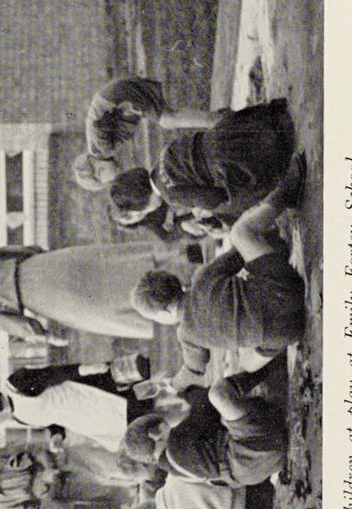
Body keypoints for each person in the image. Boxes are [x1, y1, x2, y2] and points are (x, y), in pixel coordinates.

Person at [131, 154, 307, 384]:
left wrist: (174, 383)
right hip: (286, 290)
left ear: (164, 314)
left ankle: (287, 192)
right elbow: (238, 254)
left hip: (287, 332)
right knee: (240, 233)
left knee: (246, 363)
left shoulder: (187, 336)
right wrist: (271, 243)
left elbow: (193, 371)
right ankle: (283, 194)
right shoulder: (201, 278)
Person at [0, 241, 162, 343]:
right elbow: (28, 249)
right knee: (116, 265)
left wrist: (46, 337)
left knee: (109, 309)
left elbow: (24, 326)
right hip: (46, 265)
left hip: (47, 299)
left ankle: (166, 307)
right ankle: (183, 257)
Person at [101, 97, 295, 222]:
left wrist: (204, 209)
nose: (148, 213)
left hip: (228, 161)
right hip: (225, 134)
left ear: (142, 202)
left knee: (232, 206)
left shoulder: (171, 194)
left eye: (142, 212)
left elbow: (214, 197)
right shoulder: (162, 154)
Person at [123, 369, 287, 489]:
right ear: (155, 433)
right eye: (164, 423)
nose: (170, 425)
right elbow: (205, 402)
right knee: (219, 393)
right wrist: (181, 391)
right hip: (251, 449)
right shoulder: (175, 444)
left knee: (234, 414)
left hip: (252, 472)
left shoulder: (174, 470)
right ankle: (273, 359)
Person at [0, 358, 155, 454]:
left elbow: (53, 374)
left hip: (86, 394)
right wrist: (56, 434)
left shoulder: (15, 385)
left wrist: (86, 369)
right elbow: (50, 419)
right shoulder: (18, 417)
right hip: (85, 419)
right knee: (138, 422)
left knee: (140, 400)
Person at [72, 76, 216, 191]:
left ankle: (216, 120)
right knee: (168, 116)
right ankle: (215, 119)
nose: (114, 177)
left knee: (168, 119)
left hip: (119, 96)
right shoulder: (99, 149)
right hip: (116, 93)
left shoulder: (103, 148)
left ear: (98, 170)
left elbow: (103, 120)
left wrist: (132, 112)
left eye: (108, 179)